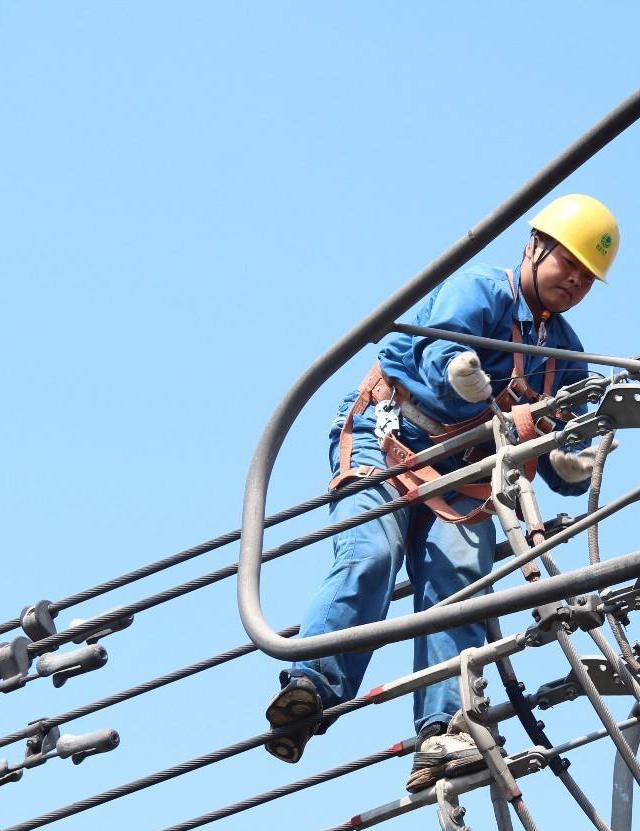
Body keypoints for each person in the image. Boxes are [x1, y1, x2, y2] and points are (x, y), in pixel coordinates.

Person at [263, 194, 620, 793]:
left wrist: (571, 463)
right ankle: (311, 689)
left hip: (467, 478)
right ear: (535, 247)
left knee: (461, 583)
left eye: (588, 278)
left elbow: (558, 451)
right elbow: (436, 354)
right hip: (390, 437)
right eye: (570, 265)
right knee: (372, 555)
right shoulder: (482, 291)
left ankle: (443, 733)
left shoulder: (567, 357)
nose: (576, 283)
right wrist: (461, 377)